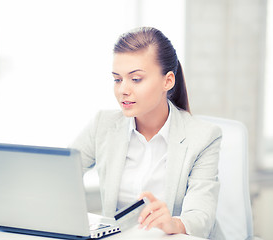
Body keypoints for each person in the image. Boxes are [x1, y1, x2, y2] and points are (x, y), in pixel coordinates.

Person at [71, 27, 224, 239]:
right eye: (117, 79)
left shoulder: (203, 137)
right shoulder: (102, 125)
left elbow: (201, 217)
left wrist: (173, 223)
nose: (123, 89)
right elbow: (59, 176)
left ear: (168, 81)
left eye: (136, 79)